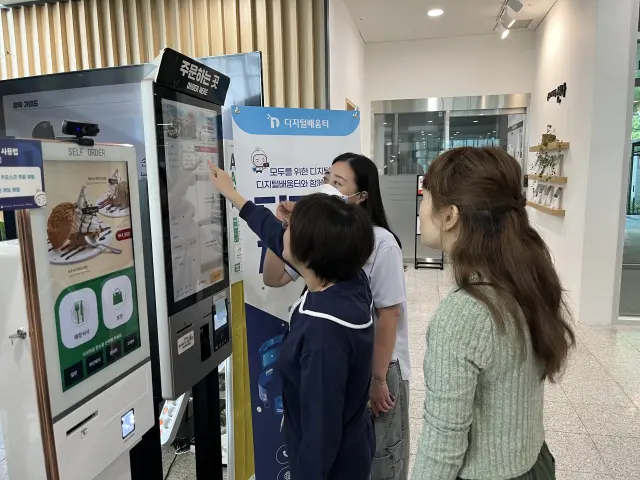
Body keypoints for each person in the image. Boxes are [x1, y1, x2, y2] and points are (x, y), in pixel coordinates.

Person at [412, 147, 575, 480]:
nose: (421, 208)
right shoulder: (524, 279)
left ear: (450, 216)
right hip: (534, 464)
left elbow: (443, 441)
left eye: (425, 197)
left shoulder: (464, 313)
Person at [208, 163, 376, 480]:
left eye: (290, 228)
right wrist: (234, 195)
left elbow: (319, 438)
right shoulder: (349, 279)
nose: (283, 229)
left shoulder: (324, 334)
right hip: (353, 447)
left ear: (308, 253)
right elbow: (274, 234)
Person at [262, 152, 410, 480]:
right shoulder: (322, 238)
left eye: (338, 183)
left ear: (362, 196)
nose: (328, 187)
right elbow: (274, 277)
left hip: (376, 363)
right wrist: (288, 228)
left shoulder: (381, 243)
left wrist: (377, 379)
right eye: (326, 179)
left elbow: (389, 317)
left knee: (380, 457)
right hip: (347, 361)